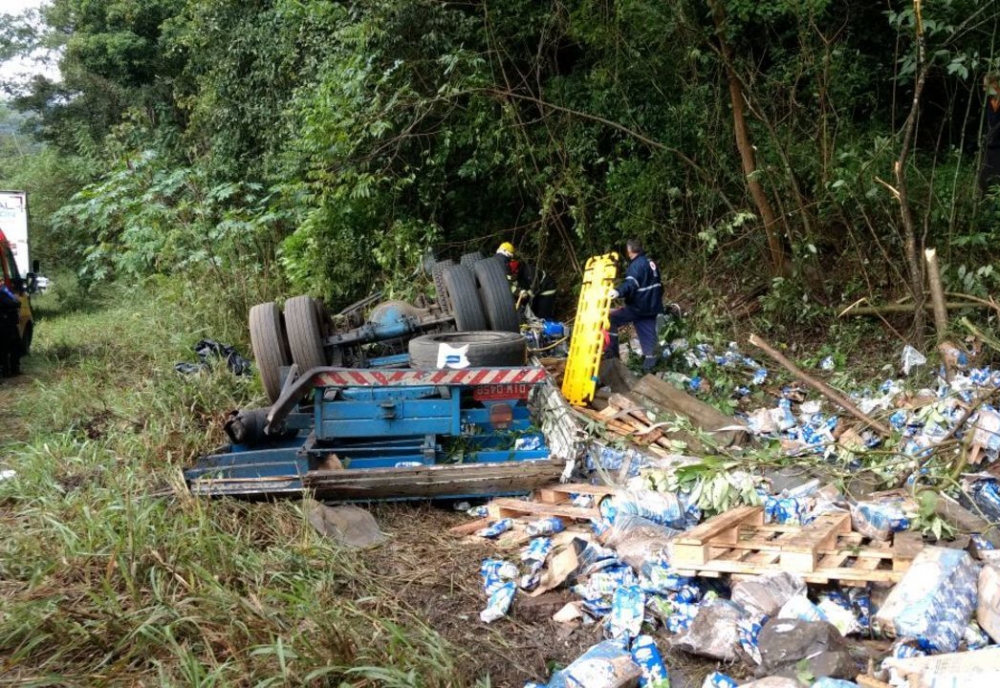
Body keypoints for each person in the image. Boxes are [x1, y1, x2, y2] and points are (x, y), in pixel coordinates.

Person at [606, 238, 664, 371]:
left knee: (610, 320)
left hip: (638, 308)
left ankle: (613, 358)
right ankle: (650, 369)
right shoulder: (651, 262)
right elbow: (660, 286)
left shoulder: (636, 265)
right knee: (650, 343)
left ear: (629, 251)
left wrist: (617, 291)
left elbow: (631, 284)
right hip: (651, 307)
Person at [495, 242, 557, 320]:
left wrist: (525, 295)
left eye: (512, 275)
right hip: (536, 288)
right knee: (534, 312)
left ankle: (550, 326)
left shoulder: (528, 274)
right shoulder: (512, 271)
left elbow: (532, 289)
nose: (512, 276)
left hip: (547, 287)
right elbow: (512, 286)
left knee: (543, 314)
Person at [981, 74, 1000, 194]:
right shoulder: (990, 102)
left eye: (985, 86)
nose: (983, 89)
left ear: (994, 84)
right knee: (984, 180)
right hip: (992, 146)